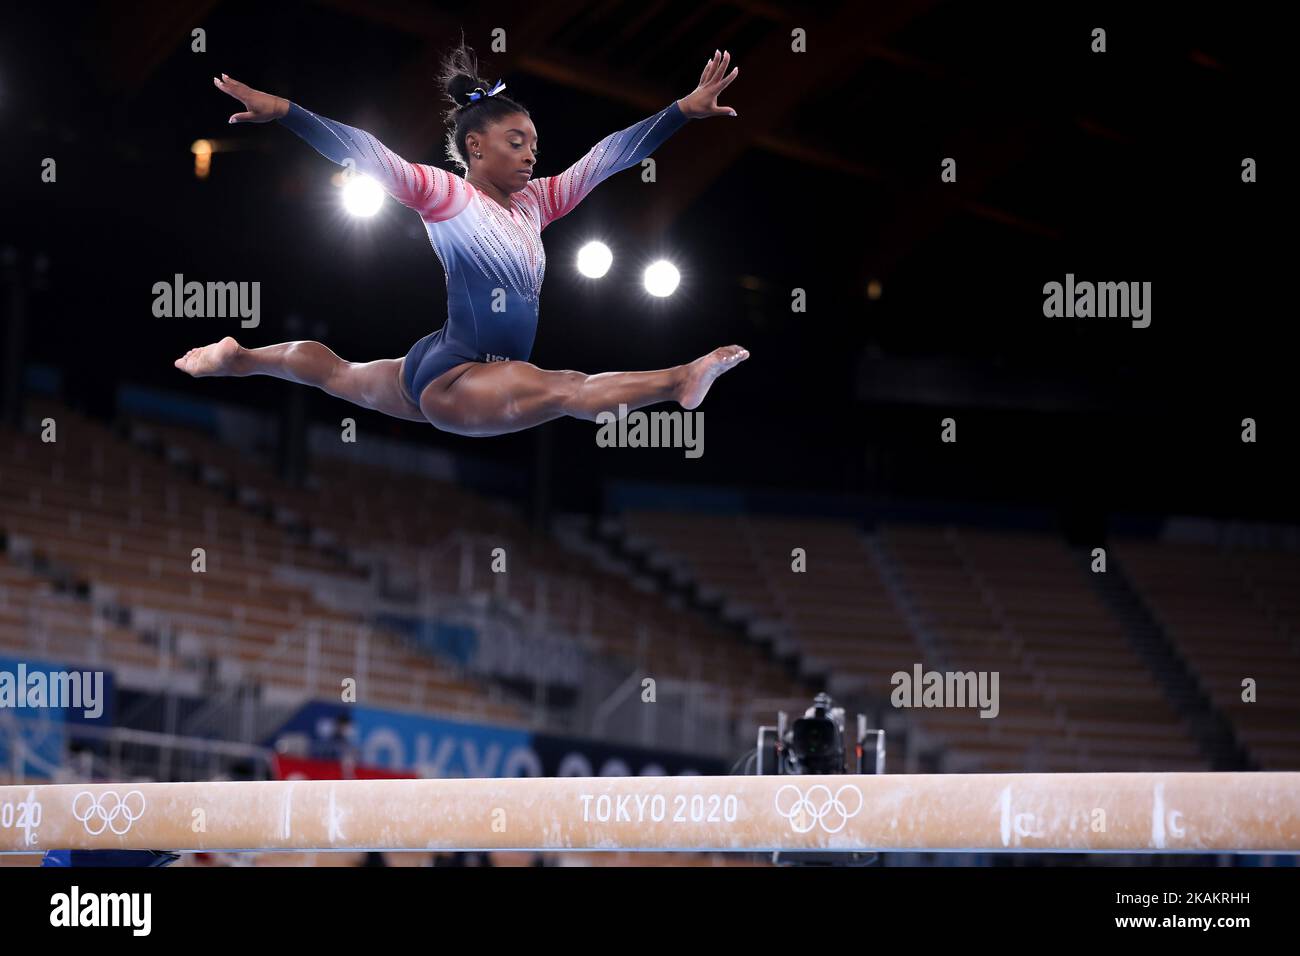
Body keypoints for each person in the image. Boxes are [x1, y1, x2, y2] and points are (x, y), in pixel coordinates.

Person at [176, 42, 748, 437]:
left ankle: (240, 358)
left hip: (443, 359)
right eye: (517, 142)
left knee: (339, 374)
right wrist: (287, 113)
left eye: (533, 144)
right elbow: (368, 154)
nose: (531, 154)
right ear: (476, 146)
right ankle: (678, 380)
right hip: (459, 377)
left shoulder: (537, 202)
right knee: (566, 390)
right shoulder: (446, 195)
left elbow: (609, 157)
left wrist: (679, 113)